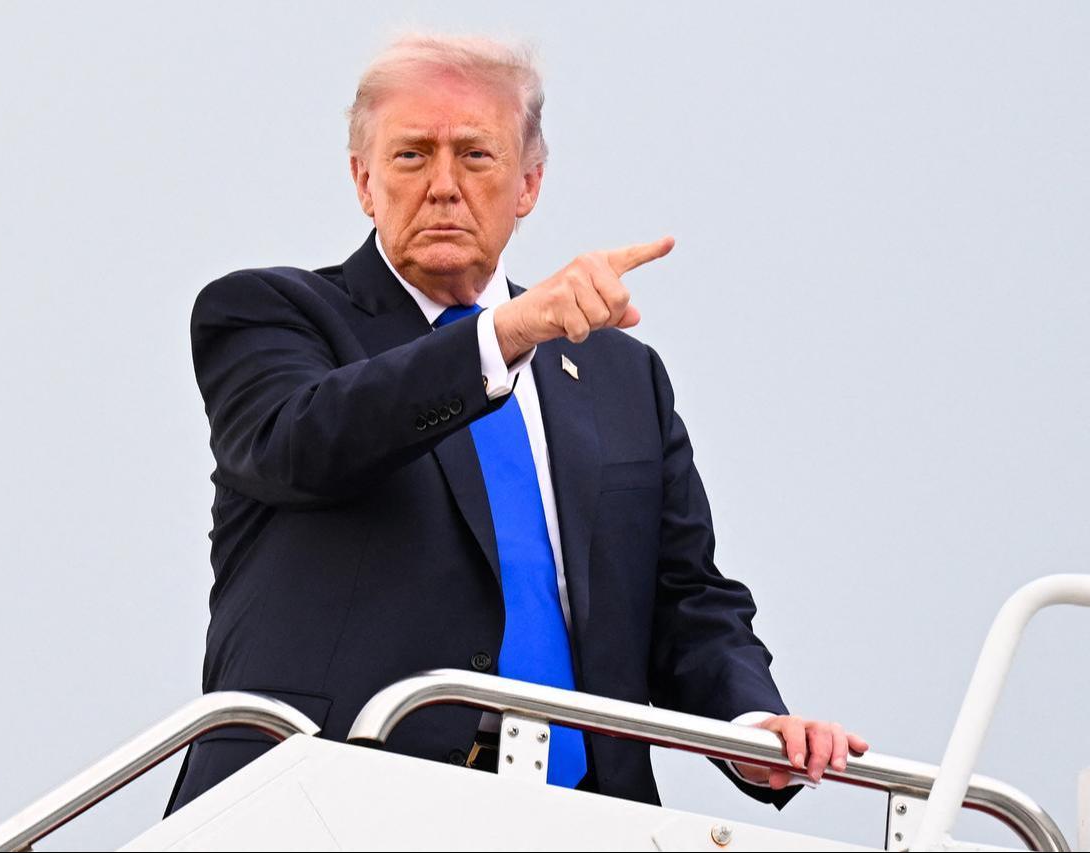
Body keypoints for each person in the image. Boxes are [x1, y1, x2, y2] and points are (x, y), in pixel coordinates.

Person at [165, 33, 867, 816]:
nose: (443, 186)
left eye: (474, 155)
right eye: (410, 156)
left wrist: (753, 723)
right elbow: (302, 441)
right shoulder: (269, 314)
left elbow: (686, 598)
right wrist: (501, 335)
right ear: (363, 180)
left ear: (529, 182)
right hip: (329, 800)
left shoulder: (621, 376)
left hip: (581, 813)